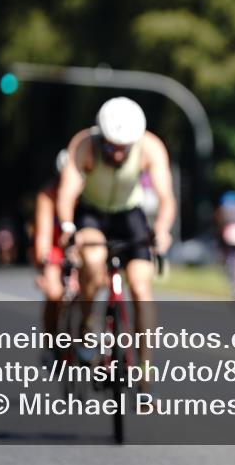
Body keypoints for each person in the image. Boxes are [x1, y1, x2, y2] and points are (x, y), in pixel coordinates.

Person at [56, 97, 176, 382]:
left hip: (128, 214)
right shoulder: (85, 144)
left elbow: (166, 198)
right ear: (101, 136)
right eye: (111, 146)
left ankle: (145, 368)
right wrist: (68, 226)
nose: (119, 155)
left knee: (140, 286)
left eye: (125, 148)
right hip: (92, 214)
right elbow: (67, 192)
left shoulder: (150, 147)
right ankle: (88, 326)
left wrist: (161, 229)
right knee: (93, 261)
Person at [33, 150, 71, 337]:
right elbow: (43, 236)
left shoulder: (90, 196)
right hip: (56, 251)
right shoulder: (48, 195)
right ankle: (52, 342)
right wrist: (44, 261)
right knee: (55, 293)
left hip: (79, 250)